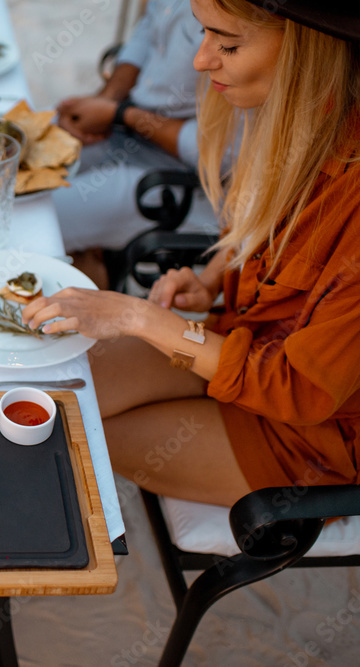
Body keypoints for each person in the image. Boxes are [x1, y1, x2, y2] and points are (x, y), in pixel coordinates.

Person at [22, 0, 360, 507]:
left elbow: (299, 388)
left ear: (309, 51)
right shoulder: (300, 118)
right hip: (237, 345)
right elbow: (261, 228)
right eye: (202, 35)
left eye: (226, 43)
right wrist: (214, 276)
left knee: (63, 432)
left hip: (306, 433)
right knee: (41, 391)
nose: (201, 60)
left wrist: (137, 316)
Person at [51, 0, 216, 287]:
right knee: (20, 151)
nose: (202, 59)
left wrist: (121, 114)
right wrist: (107, 99)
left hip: (189, 182)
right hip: (129, 129)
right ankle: (85, 261)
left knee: (39, 215)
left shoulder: (253, 20)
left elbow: (220, 154)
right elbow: (148, 30)